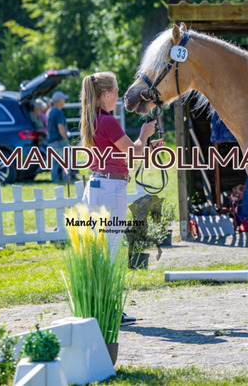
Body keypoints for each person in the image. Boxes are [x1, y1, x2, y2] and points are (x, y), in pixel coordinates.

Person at [79, 71, 164, 324]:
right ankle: (109, 310)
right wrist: (144, 135)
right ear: (106, 94)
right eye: (115, 91)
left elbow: (123, 154)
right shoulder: (108, 121)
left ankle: (97, 307)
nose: (118, 95)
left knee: (99, 251)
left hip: (97, 185)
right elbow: (133, 151)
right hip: (110, 189)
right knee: (111, 252)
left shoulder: (93, 119)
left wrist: (146, 146)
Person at [46, 91, 74, 182]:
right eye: (63, 99)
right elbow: (61, 127)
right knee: (66, 162)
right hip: (60, 141)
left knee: (53, 164)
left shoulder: (49, 111)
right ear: (59, 100)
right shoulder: (58, 112)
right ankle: (67, 179)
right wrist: (65, 139)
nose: (64, 100)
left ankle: (55, 180)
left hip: (51, 141)